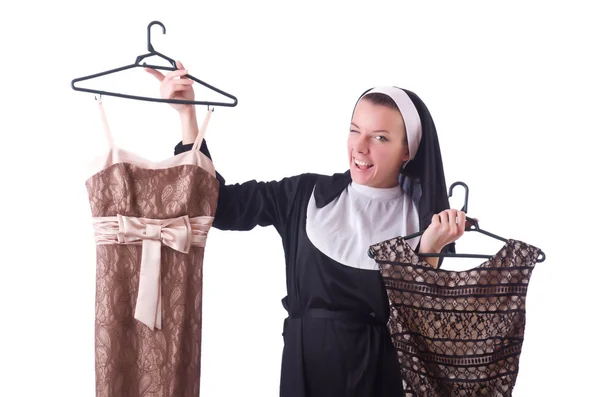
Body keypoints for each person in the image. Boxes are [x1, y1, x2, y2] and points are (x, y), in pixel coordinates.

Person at [146, 61, 467, 397]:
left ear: (407, 151)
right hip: (305, 374)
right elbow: (218, 207)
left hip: (381, 379)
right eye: (355, 130)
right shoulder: (302, 195)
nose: (360, 146)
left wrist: (430, 248)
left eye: (380, 137)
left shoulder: (424, 223)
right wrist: (187, 116)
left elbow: (414, 322)